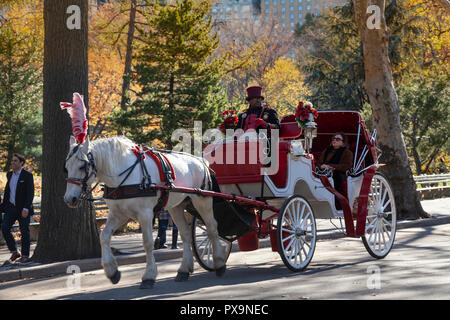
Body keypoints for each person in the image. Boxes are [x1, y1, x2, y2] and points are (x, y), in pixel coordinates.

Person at [1, 153, 35, 263]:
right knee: (5, 227)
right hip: (11, 208)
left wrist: (26, 208)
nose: (12, 163)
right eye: (12, 161)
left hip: (23, 209)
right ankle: (14, 251)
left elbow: (30, 193)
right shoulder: (9, 174)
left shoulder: (27, 176)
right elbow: (8, 191)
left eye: (15, 161)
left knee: (24, 231)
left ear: (21, 163)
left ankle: (25, 255)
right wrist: (4, 206)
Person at [317, 133, 353, 203]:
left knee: (336, 178)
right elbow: (319, 162)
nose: (334, 140)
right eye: (333, 138)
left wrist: (331, 167)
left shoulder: (347, 153)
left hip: (338, 174)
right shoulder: (326, 150)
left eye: (338, 139)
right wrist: (321, 166)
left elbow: (347, 166)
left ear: (343, 142)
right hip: (323, 172)